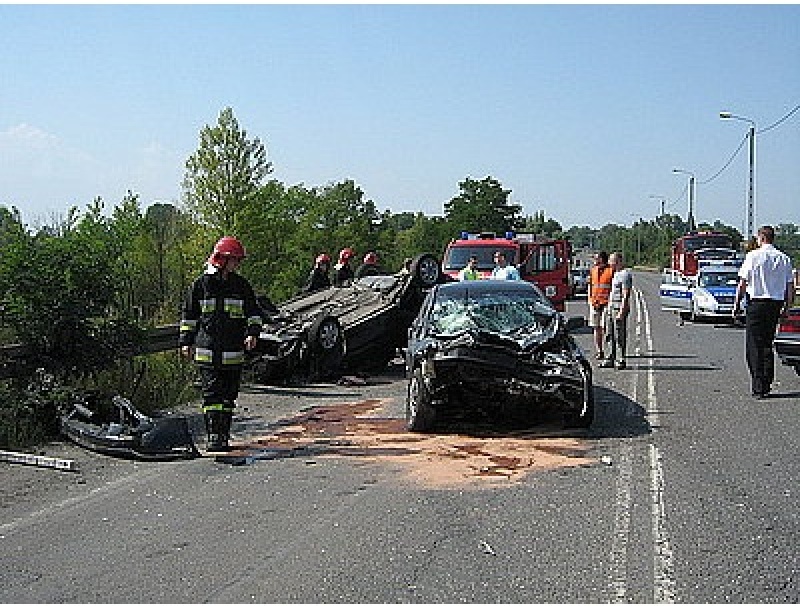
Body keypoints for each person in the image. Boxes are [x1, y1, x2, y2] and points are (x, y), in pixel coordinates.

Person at [179, 236, 263, 452]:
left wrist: (253, 333)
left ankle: (223, 435)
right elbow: (189, 316)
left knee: (228, 397)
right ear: (222, 259)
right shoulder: (201, 285)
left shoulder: (241, 286)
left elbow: (253, 313)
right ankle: (214, 437)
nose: (237, 264)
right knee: (212, 396)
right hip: (208, 352)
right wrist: (186, 341)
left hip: (233, 352)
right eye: (234, 260)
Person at [733, 225, 794, 399]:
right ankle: (767, 382)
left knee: (754, 345)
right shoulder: (784, 259)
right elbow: (790, 287)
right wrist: (787, 308)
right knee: (767, 343)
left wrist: (736, 304)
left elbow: (743, 284)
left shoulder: (753, 256)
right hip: (774, 304)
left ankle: (758, 385)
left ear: (761, 238)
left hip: (757, 304)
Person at [600, 252, 632, 369]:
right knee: (609, 334)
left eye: (611, 261)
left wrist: (621, 312)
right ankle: (610, 358)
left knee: (619, 335)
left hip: (618, 308)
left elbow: (626, 294)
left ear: (618, 261)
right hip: (610, 307)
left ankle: (620, 360)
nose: (609, 263)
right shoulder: (616, 274)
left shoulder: (625, 274)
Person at [587, 251, 613, 360]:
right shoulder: (593, 271)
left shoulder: (611, 271)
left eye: (596, 258)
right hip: (595, 303)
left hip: (606, 304)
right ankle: (599, 350)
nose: (594, 260)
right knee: (596, 328)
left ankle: (609, 351)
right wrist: (590, 300)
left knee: (605, 328)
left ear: (602, 259)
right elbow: (591, 286)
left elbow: (614, 288)